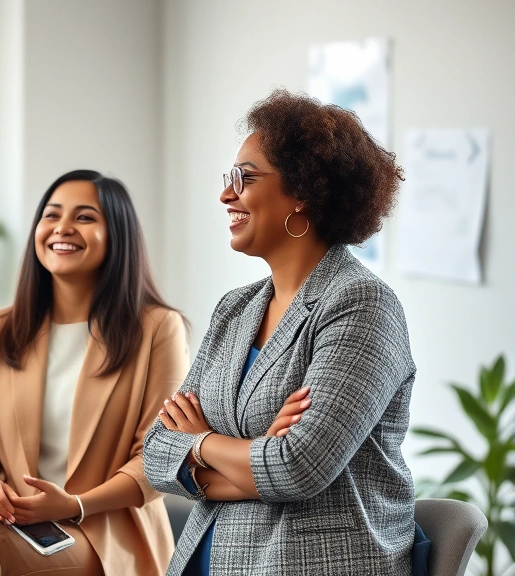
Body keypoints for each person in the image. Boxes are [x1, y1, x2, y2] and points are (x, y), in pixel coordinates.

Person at [142, 89, 418, 575]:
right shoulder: (235, 309)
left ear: (304, 193)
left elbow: (298, 466)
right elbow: (157, 452)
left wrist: (203, 441)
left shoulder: (362, 305)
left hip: (305, 563)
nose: (226, 194)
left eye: (244, 178)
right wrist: (255, 454)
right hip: (211, 556)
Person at [0, 170, 188, 576]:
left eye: (85, 217)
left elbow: (162, 458)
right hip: (24, 528)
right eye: (51, 215)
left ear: (116, 235)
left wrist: (75, 505)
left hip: (109, 535)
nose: (62, 227)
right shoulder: (1, 330)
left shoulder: (158, 328)